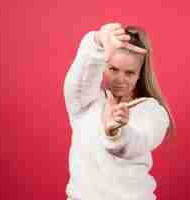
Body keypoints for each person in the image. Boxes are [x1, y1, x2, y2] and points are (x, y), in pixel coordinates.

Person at [63, 22, 175, 200]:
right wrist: (98, 41)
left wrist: (115, 132)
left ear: (139, 74)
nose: (119, 79)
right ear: (103, 66)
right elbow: (79, 80)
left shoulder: (152, 113)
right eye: (113, 69)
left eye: (129, 72)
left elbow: (137, 142)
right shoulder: (85, 105)